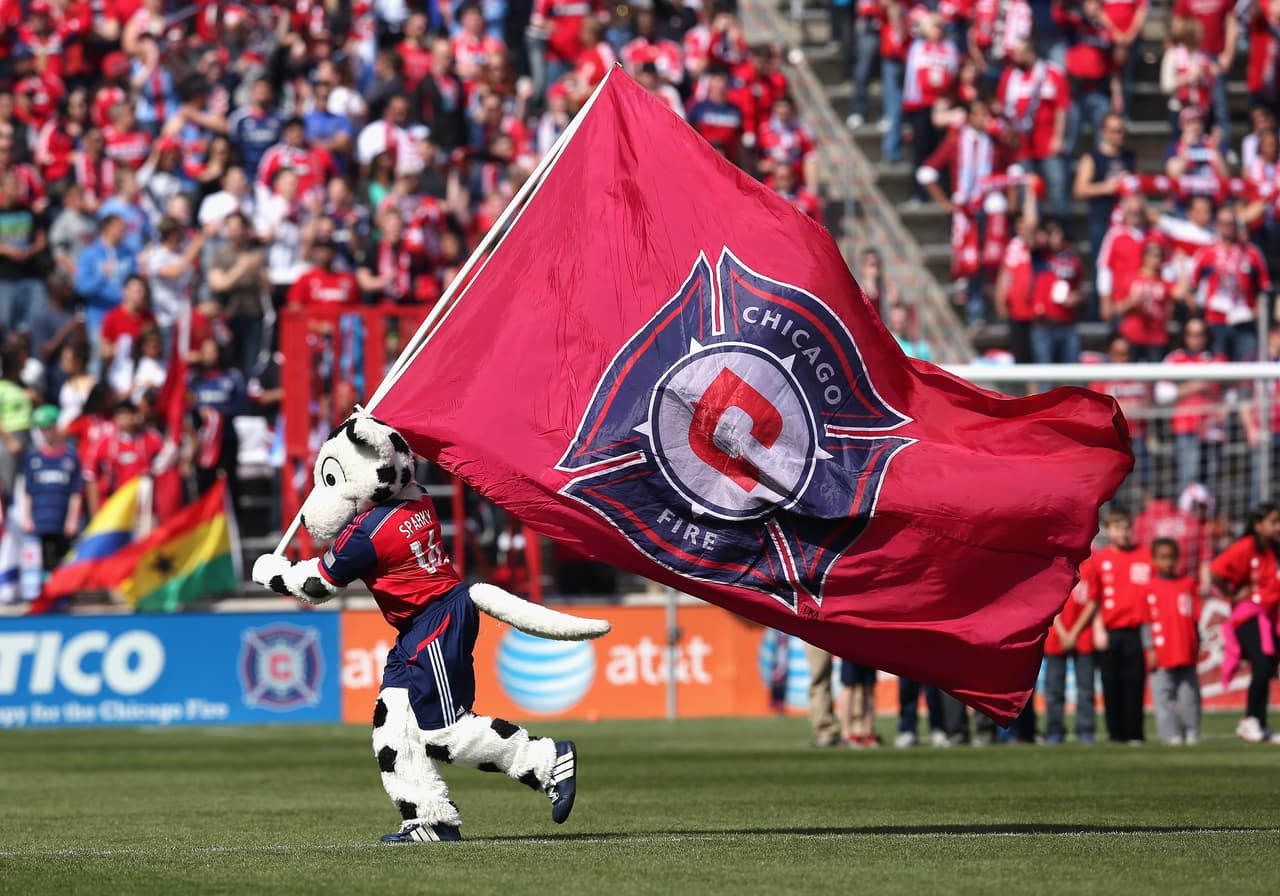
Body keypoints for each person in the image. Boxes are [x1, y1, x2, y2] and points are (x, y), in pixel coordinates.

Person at [1210, 503, 1280, 743]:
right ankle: (1249, 719)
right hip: (1247, 615)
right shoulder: (1246, 547)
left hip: (1271, 618)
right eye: (1274, 521)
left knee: (1268, 666)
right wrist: (1230, 594)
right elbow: (1215, 571)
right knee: (1261, 662)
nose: (1278, 527)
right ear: (1258, 525)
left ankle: (1260, 721)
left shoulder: (1274, 550)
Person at [1087, 506, 1150, 744]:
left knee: (1134, 682)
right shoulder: (1100, 560)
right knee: (1110, 683)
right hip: (1110, 630)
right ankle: (1115, 733)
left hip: (1136, 630)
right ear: (1109, 531)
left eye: (1126, 528)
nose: (1123, 533)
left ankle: (1135, 733)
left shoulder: (1144, 556)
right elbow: (1095, 598)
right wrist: (1098, 628)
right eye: (1117, 528)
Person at [1143, 538, 1202, 746]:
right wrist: (1149, 648)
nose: (1167, 562)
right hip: (1161, 651)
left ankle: (1192, 730)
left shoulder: (1188, 584)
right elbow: (1146, 621)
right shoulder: (1150, 587)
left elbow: (1196, 618)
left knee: (1189, 694)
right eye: (1163, 558)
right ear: (1154, 560)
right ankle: (1170, 734)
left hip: (1186, 648)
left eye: (1171, 557)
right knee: (1163, 695)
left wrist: (1197, 644)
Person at [20, 404, 82, 574]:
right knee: (40, 566)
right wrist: (26, 518)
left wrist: (72, 519)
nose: (46, 432)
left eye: (49, 428)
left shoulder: (71, 457)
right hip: (39, 521)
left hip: (62, 522)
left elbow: (75, 493)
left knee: (63, 563)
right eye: (42, 429)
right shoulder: (33, 458)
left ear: (57, 427)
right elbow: (27, 492)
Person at [1044, 553, 1098, 744]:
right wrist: (1063, 633)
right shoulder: (1053, 566)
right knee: (1054, 689)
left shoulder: (1090, 566)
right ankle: (1054, 730)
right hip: (1057, 635)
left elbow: (1093, 601)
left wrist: (1074, 633)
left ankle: (1086, 730)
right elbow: (1048, 604)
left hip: (1082, 635)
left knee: (1086, 688)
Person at [803, 642, 841, 747]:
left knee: (824, 680)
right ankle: (824, 731)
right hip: (814, 631)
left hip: (829, 630)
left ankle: (855, 730)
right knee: (819, 680)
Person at [838, 660, 879, 747]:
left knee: (869, 686)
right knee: (848, 686)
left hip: (869, 650)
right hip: (850, 649)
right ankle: (846, 735)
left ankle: (868, 733)